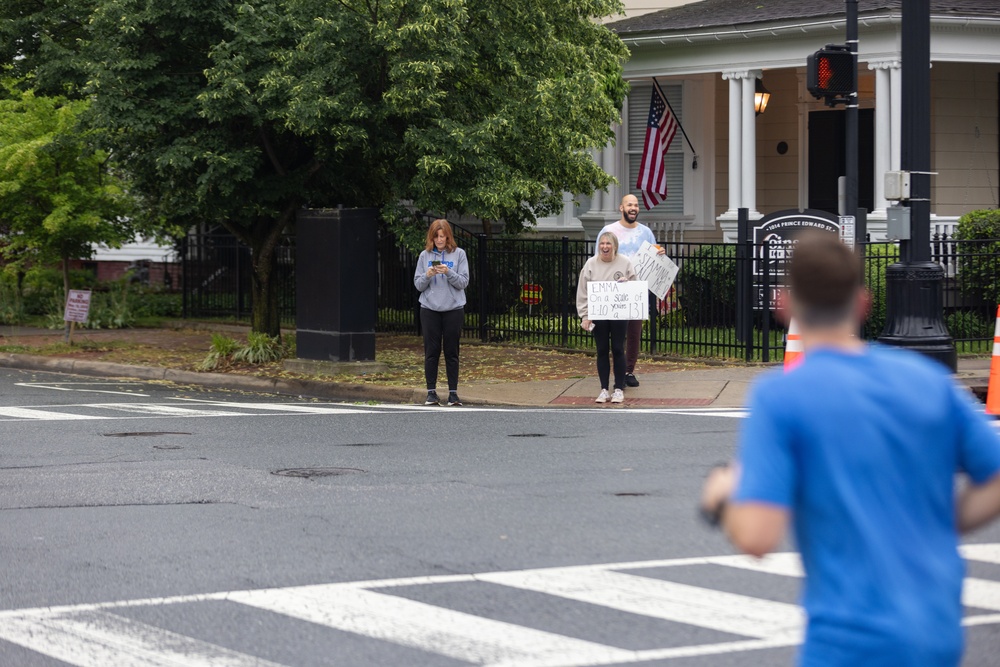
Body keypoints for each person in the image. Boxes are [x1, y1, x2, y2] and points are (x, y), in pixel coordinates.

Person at [700, 231, 1000, 667]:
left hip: (848, 643)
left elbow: (757, 536)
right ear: (863, 303)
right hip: (936, 634)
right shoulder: (928, 382)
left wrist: (723, 496)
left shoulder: (782, 397)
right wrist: (943, 519)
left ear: (785, 306)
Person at [595, 194, 665, 388]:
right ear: (621, 208)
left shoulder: (646, 232)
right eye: (629, 205)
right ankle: (612, 374)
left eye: (635, 205)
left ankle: (628, 371)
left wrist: (660, 252)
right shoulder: (608, 231)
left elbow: (654, 255)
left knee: (634, 332)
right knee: (614, 337)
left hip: (636, 290)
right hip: (611, 291)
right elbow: (597, 258)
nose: (633, 208)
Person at [414, 219, 469, 407]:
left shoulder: (459, 254)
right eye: (436, 236)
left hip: (453, 309)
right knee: (432, 351)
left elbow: (463, 282)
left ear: (448, 236)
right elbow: (418, 285)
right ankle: (431, 393)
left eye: (443, 236)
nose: (439, 240)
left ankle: (453, 394)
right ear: (432, 237)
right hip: (429, 309)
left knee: (452, 351)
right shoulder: (424, 255)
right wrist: (428, 275)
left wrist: (448, 272)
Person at [577, 232, 636, 404]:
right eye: (602, 243)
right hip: (599, 314)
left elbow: (635, 286)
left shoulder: (624, 262)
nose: (605, 247)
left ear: (615, 246)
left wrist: (627, 284)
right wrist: (585, 316)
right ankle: (604, 389)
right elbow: (583, 292)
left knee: (618, 348)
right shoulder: (591, 264)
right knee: (602, 350)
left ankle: (618, 388)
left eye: (608, 244)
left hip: (618, 313)